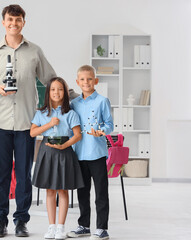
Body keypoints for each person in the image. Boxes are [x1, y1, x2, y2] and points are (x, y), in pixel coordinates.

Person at [0, 4, 56, 238]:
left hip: (26, 125)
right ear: (3, 22)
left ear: (24, 22)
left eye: (18, 20)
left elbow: (51, 79)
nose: (14, 24)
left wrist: (72, 96)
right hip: (0, 123)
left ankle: (21, 221)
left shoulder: (34, 51)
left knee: (24, 176)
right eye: (10, 20)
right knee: (2, 176)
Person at [30, 77, 84, 240]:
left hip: (64, 152)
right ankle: (51, 226)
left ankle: (61, 227)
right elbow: (33, 133)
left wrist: (65, 145)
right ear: (48, 92)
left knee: (63, 189)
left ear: (65, 92)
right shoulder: (40, 113)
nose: (56, 92)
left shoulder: (71, 113)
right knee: (50, 190)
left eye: (60, 89)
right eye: (53, 89)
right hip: (47, 152)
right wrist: (49, 124)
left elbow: (77, 135)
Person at [68, 65, 114, 240]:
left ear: (96, 81)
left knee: (101, 192)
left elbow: (109, 124)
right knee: (82, 192)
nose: (86, 82)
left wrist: (101, 130)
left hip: (97, 153)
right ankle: (83, 225)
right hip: (79, 154)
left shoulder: (102, 101)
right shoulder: (74, 104)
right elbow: (72, 127)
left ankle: (102, 228)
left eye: (89, 79)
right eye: (82, 79)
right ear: (77, 82)